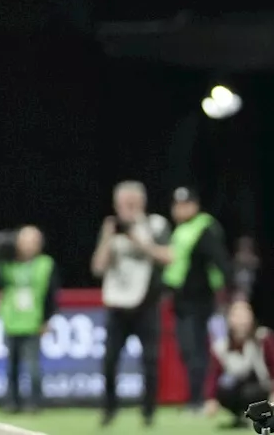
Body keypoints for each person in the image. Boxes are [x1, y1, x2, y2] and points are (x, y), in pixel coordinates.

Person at [91, 180, 172, 427]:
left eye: (131, 204)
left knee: (150, 361)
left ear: (141, 203)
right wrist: (107, 236)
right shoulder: (111, 228)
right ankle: (109, 409)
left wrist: (138, 240)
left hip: (146, 304)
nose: (126, 209)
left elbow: (168, 256)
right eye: (122, 204)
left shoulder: (155, 224)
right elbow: (97, 268)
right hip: (117, 304)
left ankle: (148, 412)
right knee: (109, 360)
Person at [163, 186, 234, 414]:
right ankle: (195, 399)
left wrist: (231, 293)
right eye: (177, 205)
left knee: (197, 351)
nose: (181, 209)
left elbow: (221, 260)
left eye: (186, 204)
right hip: (182, 301)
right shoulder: (182, 230)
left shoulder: (203, 228)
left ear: (195, 205)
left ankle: (200, 400)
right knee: (188, 350)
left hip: (200, 300)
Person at [0, 225, 58, 414]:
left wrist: (47, 319)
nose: (29, 246)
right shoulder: (7, 264)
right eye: (25, 241)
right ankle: (11, 402)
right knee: (11, 367)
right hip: (11, 321)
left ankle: (35, 403)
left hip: (33, 322)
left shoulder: (45, 264)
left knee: (33, 367)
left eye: (33, 241)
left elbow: (51, 294)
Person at [204, 300, 274, 429]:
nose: (241, 321)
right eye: (237, 316)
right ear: (230, 319)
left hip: (264, 388)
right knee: (225, 391)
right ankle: (241, 417)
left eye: (245, 316)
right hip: (239, 388)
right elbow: (213, 374)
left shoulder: (263, 338)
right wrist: (210, 398)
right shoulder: (221, 346)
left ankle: (261, 416)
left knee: (250, 393)